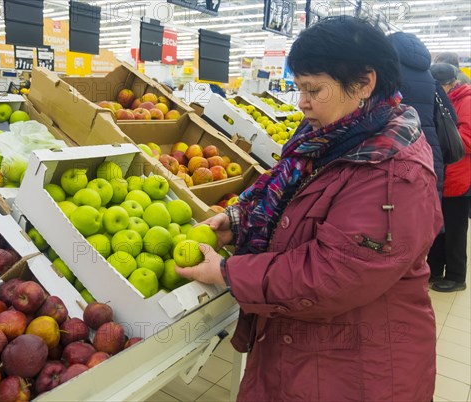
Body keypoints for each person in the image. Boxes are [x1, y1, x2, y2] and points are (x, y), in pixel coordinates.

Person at [176, 17, 442, 401]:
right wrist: (241, 219)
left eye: (313, 89)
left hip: (356, 367)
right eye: (300, 87)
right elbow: (293, 198)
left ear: (365, 83)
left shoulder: (393, 171)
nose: (301, 102)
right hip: (303, 347)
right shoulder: (329, 137)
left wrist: (228, 271)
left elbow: (334, 274)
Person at [388, 32, 453, 199]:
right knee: (429, 205)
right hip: (430, 149)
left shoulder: (385, 73)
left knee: (395, 207)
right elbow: (452, 116)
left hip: (394, 148)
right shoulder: (430, 77)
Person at [427, 63, 471, 292]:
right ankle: (434, 269)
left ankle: (456, 276)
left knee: (455, 229)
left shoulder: (466, 101)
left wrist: (438, 139)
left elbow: (467, 138)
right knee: (438, 226)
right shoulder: (443, 99)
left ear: (450, 83)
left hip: (459, 177)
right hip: (442, 175)